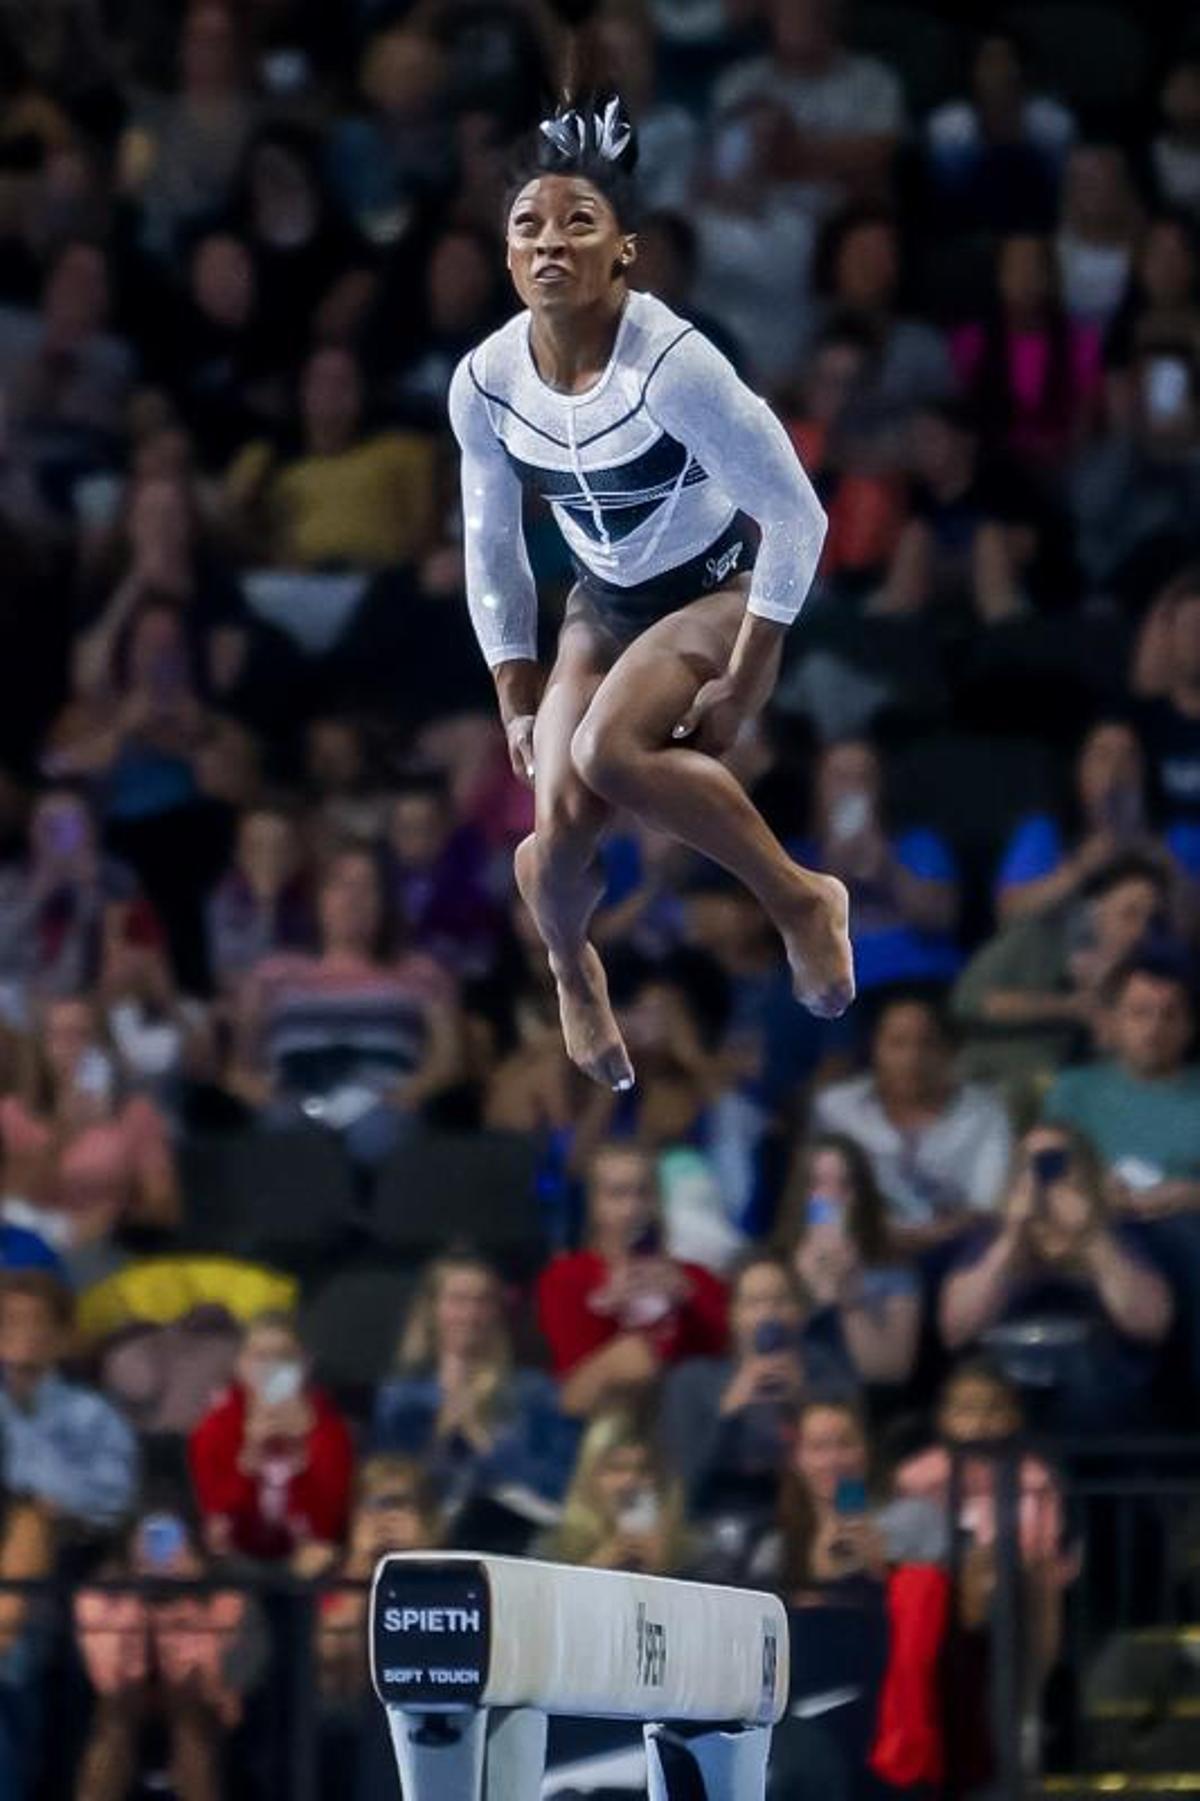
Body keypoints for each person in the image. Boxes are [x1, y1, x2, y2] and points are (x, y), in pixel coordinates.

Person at [448, 92, 853, 1099]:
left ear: (624, 250)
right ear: (506, 257)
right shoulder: (486, 381)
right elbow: (491, 548)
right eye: (528, 228)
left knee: (608, 751)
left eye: (578, 223)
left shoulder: (672, 365)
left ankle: (803, 901)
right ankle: (569, 967)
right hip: (603, 602)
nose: (550, 244)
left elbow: (799, 518)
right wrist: (515, 698)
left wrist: (750, 676)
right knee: (550, 859)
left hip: (716, 586)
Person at [229, 844, 462, 1164]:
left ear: (385, 904)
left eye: (367, 888)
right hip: (293, 1101)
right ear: (319, 899)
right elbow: (240, 1068)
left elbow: (448, 1061)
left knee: (379, 1134)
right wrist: (267, 1098)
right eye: (340, 885)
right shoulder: (274, 975)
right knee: (283, 1134)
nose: (352, 899)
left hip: (385, 1102)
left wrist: (407, 1096)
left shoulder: (419, 973)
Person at [940, 1124, 1174, 1434]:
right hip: (1005, 1372)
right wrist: (1011, 1237)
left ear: (1084, 1169)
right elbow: (956, 1331)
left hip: (1099, 1373)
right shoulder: (989, 1237)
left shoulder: (1118, 1233)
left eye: (1055, 1161)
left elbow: (1150, 1324)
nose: (1043, 1175)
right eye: (1030, 1163)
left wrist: (1090, 1237)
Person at [74, 1490, 267, 1801]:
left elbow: (232, 1683)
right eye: (150, 1540)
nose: (159, 1554)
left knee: (189, 1720)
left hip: (204, 1708)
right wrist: (136, 1601)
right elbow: (107, 1678)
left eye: (170, 1539)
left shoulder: (226, 1598)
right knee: (115, 1724)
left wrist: (187, 1597)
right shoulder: (103, 1596)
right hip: (123, 1704)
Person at [893, 1359, 1072, 1687]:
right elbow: (906, 1547)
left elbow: (1043, 1548)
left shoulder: (1034, 1479)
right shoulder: (919, 1478)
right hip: (940, 1592)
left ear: (1013, 1417)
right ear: (944, 1417)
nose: (979, 1422)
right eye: (966, 1410)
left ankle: (1030, 1701)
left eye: (992, 1409)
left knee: (1040, 1581)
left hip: (1015, 1595)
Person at [952, 853, 1174, 1100]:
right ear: (1094, 911)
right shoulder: (1037, 937)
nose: (1142, 931)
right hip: (993, 1084)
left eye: (1153, 919)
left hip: (1078, 1100)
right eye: (1129, 914)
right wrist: (1069, 1007)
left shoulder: (1151, 978)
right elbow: (967, 1001)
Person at [372, 1252, 577, 1514]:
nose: (471, 1314)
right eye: (458, 1301)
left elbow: (559, 1486)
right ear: (432, 1309)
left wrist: (483, 1439)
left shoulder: (533, 1391)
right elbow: (388, 1484)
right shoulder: (399, 1397)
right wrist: (437, 1437)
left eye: (482, 1301)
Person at [536, 1142, 727, 1417]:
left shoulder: (697, 1279)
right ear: (595, 1205)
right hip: (593, 1421)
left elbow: (720, 1355)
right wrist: (604, 1308)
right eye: (617, 1195)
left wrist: (686, 1299)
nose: (632, 1208)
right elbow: (571, 1374)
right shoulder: (565, 1277)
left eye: (643, 1194)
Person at [811, 992, 1012, 1248]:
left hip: (957, 1251)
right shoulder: (836, 1109)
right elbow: (819, 1203)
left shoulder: (985, 1112)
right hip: (856, 1249)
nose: (912, 1059)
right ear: (874, 1047)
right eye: (897, 1044)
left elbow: (988, 1207)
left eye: (927, 1044)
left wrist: (927, 1239)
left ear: (950, 1051)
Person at [0, 995, 180, 1267]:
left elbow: (164, 1207)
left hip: (107, 1243)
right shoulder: (12, 1113)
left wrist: (110, 1215)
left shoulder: (133, 1113)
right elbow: (11, 1196)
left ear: (102, 1045)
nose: (68, 1048)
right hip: (30, 1245)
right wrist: (65, 1130)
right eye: (56, 1036)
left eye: (80, 1035)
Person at [659, 1250, 843, 1515]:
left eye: (780, 1301)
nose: (768, 1314)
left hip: (804, 1526)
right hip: (717, 1529)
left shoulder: (827, 1376)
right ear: (733, 1315)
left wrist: (805, 1404)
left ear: (800, 1313)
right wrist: (728, 1412)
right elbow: (683, 1491)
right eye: (754, 1303)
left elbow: (852, 1479)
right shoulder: (692, 1382)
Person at [792, 738, 962, 994]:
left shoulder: (919, 844)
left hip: (917, 978)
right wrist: (834, 867)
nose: (851, 789)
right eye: (840, 778)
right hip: (834, 989)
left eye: (863, 778)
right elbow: (797, 934)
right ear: (818, 787)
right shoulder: (797, 856)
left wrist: (884, 863)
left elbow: (940, 918)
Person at [188, 1310, 353, 1563]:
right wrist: (249, 1458)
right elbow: (218, 1529)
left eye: (283, 1358)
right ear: (240, 1365)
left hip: (308, 1557)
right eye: (260, 1358)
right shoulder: (214, 1427)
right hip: (235, 1558)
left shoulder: (329, 1429)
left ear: (305, 1364)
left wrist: (303, 1454)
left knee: (319, 1559)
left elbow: (327, 1526)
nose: (271, 1370)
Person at [995, 719, 1192, 922]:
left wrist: (1160, 858)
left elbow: (1192, 929)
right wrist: (1081, 867)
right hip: (1061, 950)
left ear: (1145, 770)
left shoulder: (1179, 835)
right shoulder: (1045, 830)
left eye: (1128, 757)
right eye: (1103, 756)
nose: (1115, 770)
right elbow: (1008, 914)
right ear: (1079, 769)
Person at [1045, 958, 1200, 1214]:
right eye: (1140, 1013)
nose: (1155, 1028)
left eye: (1170, 1015)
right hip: (1097, 1227)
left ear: (1189, 1027)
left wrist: (1189, 1195)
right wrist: (1094, 1189)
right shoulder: (1074, 1091)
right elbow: (1047, 1178)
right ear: (1113, 1021)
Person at [0, 1271, 137, 1534]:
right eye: (11, 1321)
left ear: (63, 1337)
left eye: (37, 1322)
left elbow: (116, 1498)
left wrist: (48, 1503)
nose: (24, 1333)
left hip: (68, 1542)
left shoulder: (95, 1415)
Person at [777, 1134, 920, 1385]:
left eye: (845, 1185)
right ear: (799, 1192)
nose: (831, 1197)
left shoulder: (893, 1271)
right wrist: (803, 1285)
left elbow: (888, 1371)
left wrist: (847, 1295)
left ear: (862, 1195)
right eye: (816, 1184)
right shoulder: (771, 1265)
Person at [924, 28, 1075, 235]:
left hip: (1039, 223)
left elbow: (1061, 188)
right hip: (965, 226)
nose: (999, 70)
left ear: (1022, 68)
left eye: (1006, 60)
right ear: (973, 70)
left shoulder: (1053, 120)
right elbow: (948, 191)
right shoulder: (947, 124)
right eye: (989, 61)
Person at [540, 1410, 690, 1574]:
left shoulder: (697, 1555)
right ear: (589, 1477)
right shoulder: (552, 1546)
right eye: (617, 1468)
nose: (630, 1482)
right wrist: (596, 1567)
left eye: (645, 1470)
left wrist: (663, 1570)